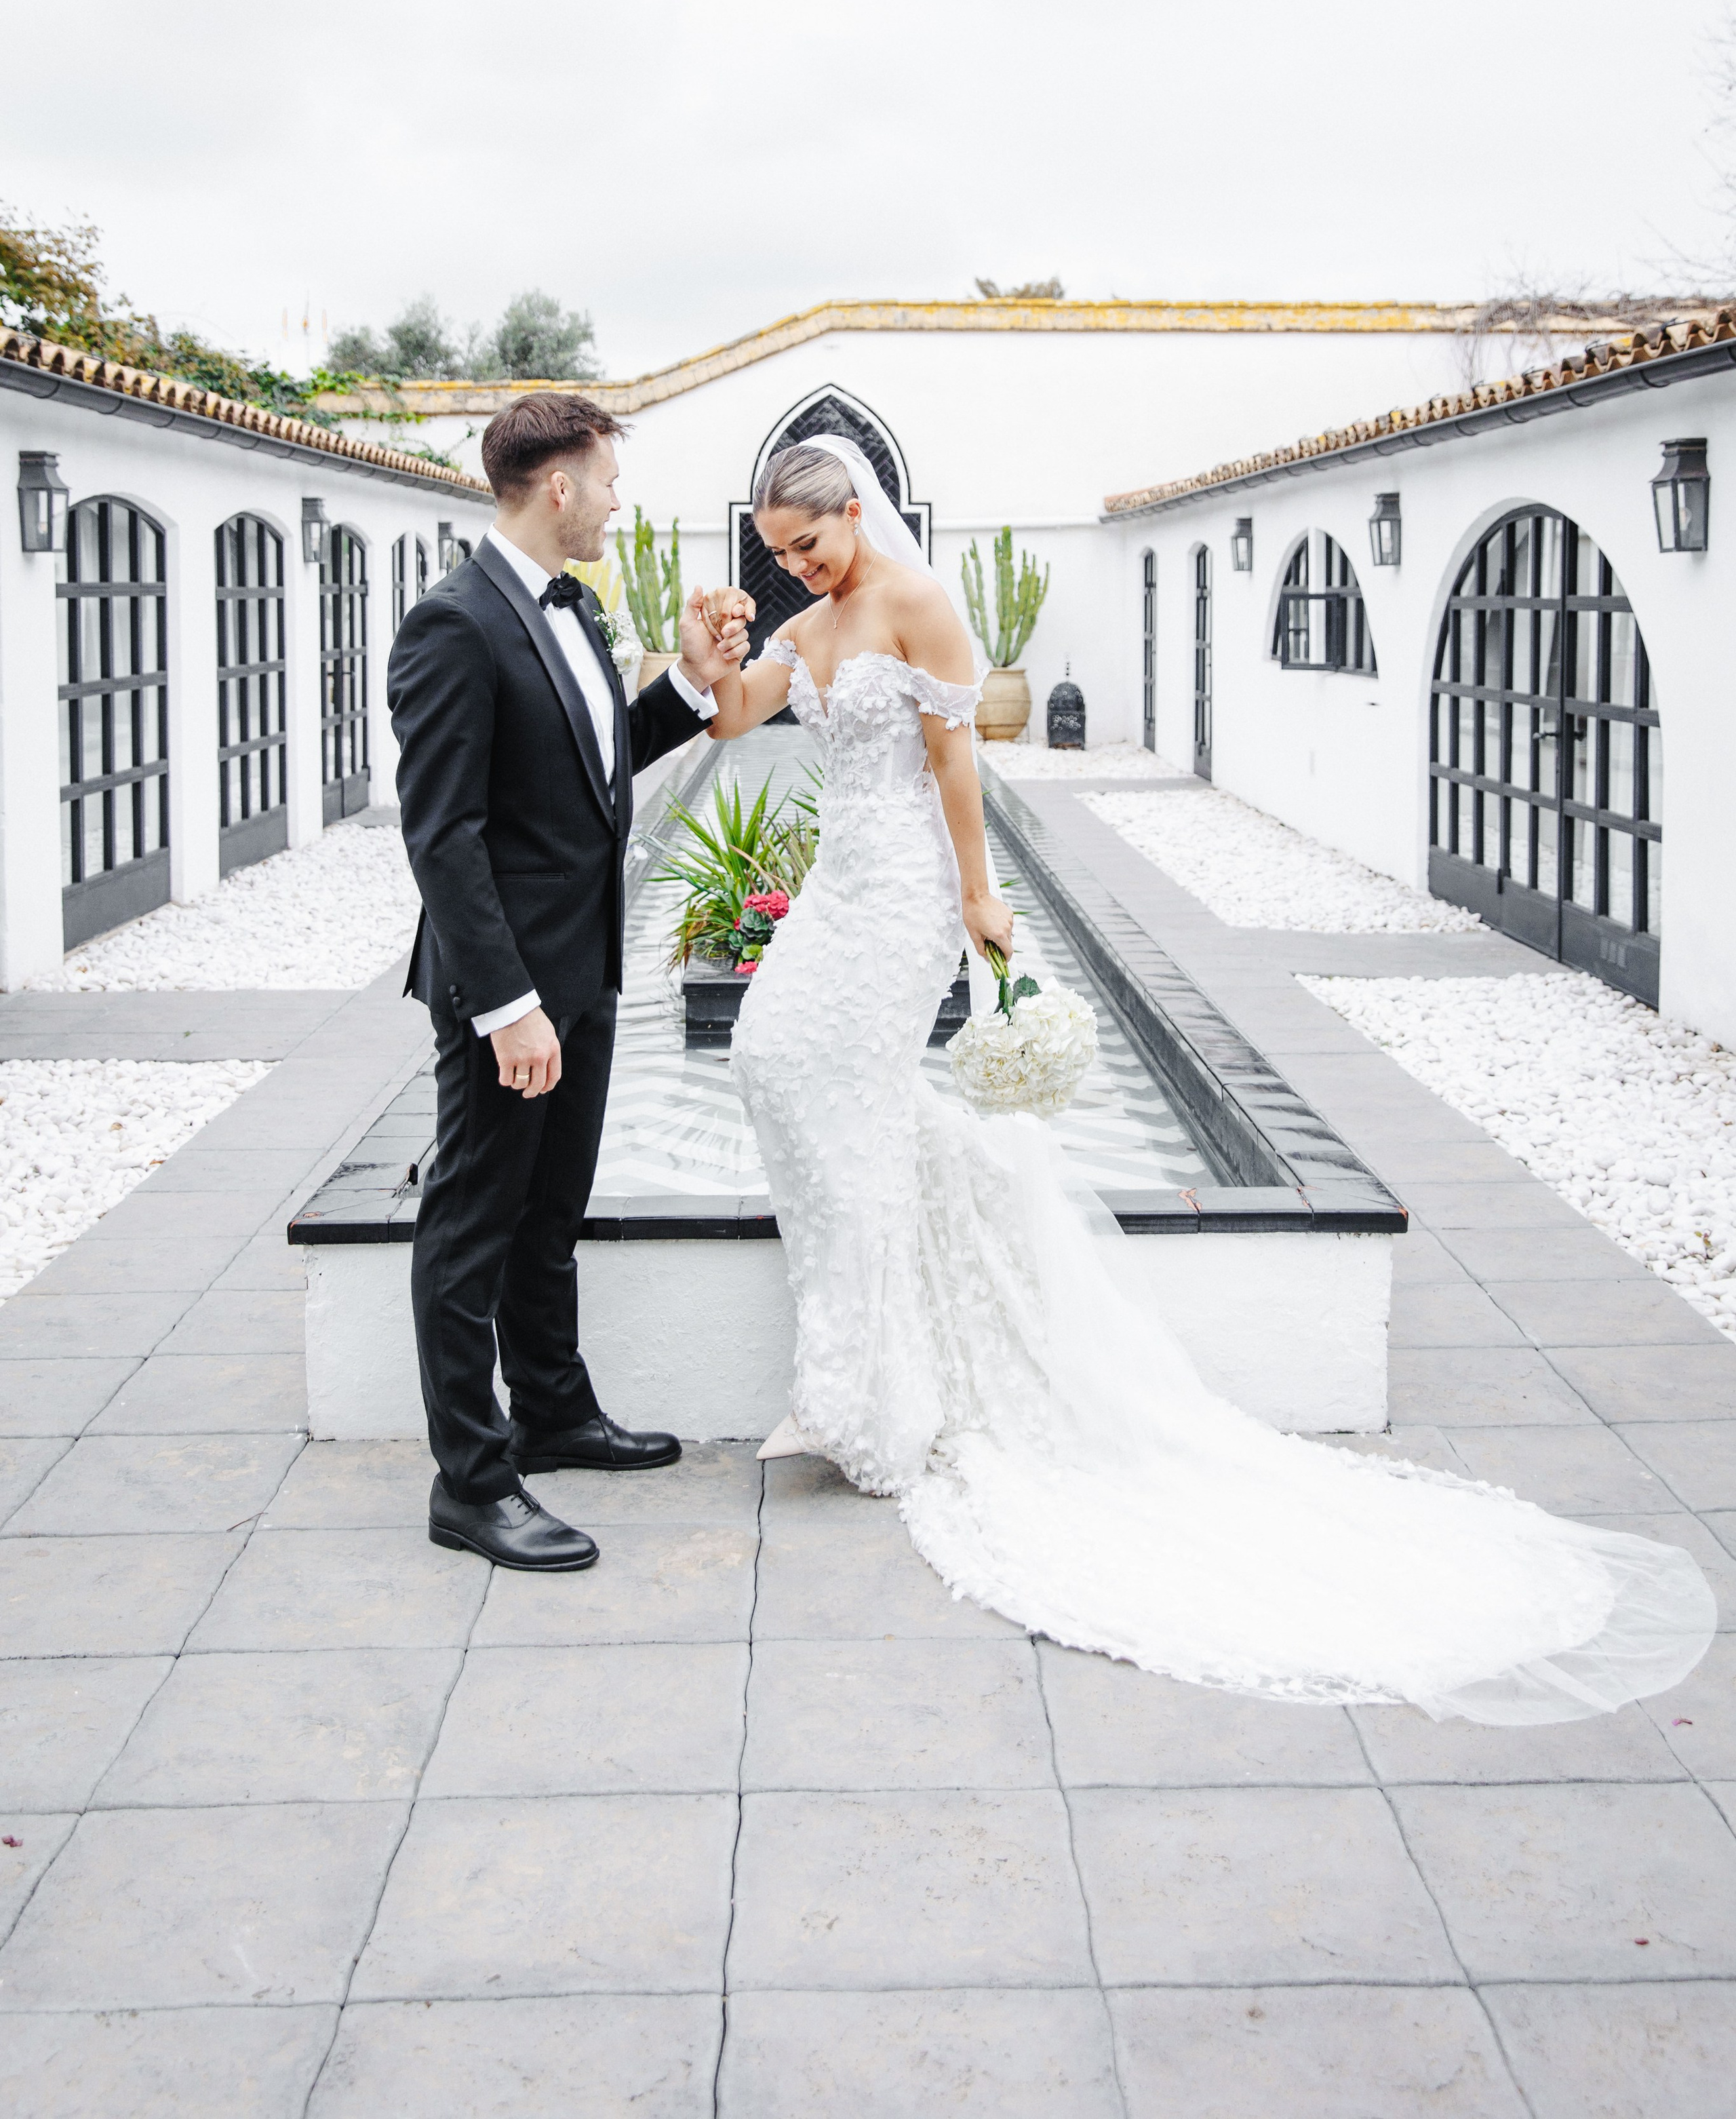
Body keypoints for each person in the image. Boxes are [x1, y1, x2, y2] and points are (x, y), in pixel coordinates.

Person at [703, 433, 1715, 1722]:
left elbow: (958, 764)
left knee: (822, 1083)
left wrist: (978, 900)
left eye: (808, 545)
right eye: (778, 556)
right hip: (835, 891)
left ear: (855, 512)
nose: (794, 568)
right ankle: (881, 1360)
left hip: (902, 898)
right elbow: (737, 718)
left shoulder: (920, 603)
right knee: (781, 1070)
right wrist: (717, 653)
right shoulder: (815, 611)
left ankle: (854, 1397)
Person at [388, 393, 749, 1571]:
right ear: (557, 488)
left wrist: (690, 688)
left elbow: (596, 772)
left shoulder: (577, 610)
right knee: (471, 1226)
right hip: (510, 996)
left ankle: (554, 1411)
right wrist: (507, 1007)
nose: (614, 501)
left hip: (584, 972)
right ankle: (473, 1484)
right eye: (606, 482)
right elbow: (444, 836)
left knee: (551, 1216)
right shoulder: (454, 624)